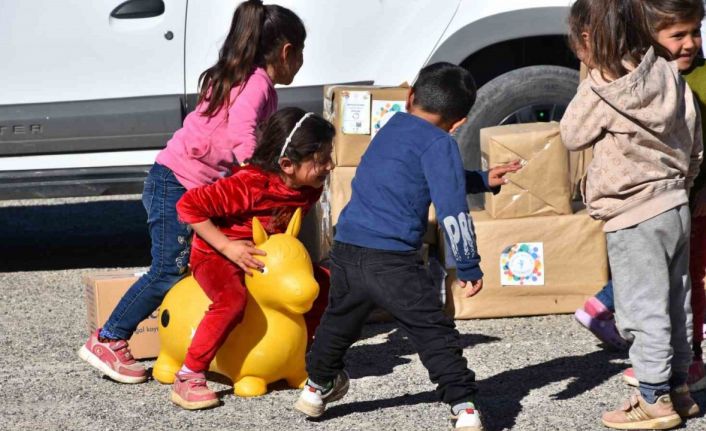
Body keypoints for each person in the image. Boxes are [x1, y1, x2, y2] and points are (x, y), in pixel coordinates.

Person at [78, 0, 306, 384]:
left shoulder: (237, 76)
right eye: (301, 54)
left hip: (181, 180)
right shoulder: (257, 84)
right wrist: (258, 175)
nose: (301, 63)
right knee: (168, 269)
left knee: (184, 265)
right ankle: (109, 337)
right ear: (287, 52)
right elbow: (241, 134)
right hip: (176, 183)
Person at [292, 62, 522, 431]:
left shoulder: (391, 129)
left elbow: (417, 174)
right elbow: (452, 210)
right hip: (394, 261)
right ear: (459, 122)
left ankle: (315, 389)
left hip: (348, 249)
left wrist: (481, 179)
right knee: (433, 332)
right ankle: (463, 407)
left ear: (411, 97)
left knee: (339, 323)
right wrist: (468, 266)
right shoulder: (441, 143)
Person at [561, 0, 703, 428]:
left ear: (586, 39)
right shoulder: (666, 72)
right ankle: (679, 390)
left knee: (644, 310)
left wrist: (591, 79)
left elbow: (571, 134)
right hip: (676, 203)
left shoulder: (603, 83)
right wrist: (685, 184)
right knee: (677, 302)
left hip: (633, 213)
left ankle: (653, 399)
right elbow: (695, 137)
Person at [170, 108, 335, 409]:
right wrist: (228, 248)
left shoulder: (308, 187)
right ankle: (189, 374)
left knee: (324, 286)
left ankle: (300, 352)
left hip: (264, 261)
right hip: (217, 254)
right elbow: (188, 206)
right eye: (321, 160)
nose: (330, 165)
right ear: (286, 164)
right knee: (231, 299)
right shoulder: (248, 185)